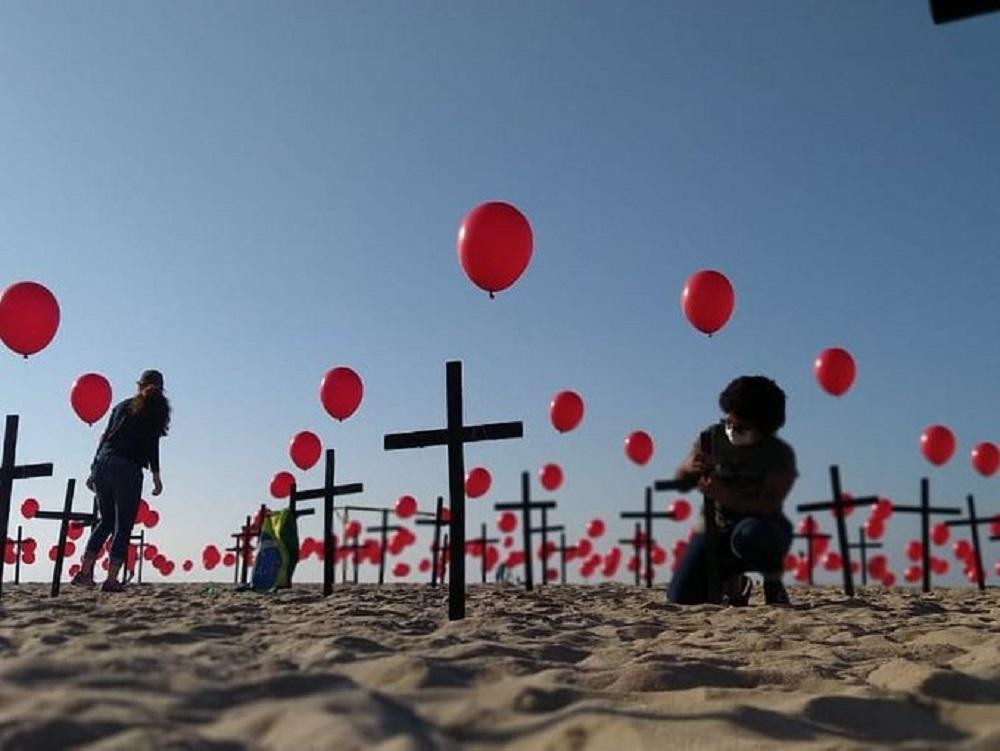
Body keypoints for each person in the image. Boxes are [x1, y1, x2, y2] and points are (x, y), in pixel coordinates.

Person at [667, 375, 797, 606]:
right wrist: (690, 468)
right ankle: (729, 580)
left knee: (751, 537)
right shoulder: (712, 437)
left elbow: (766, 504)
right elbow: (681, 479)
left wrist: (723, 494)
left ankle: (772, 581)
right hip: (714, 530)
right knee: (681, 597)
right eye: (729, 423)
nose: (732, 431)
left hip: (759, 528)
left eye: (742, 428)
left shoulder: (779, 455)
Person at [72, 370, 170, 592]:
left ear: (139, 386)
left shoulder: (121, 407)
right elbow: (152, 445)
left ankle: (84, 572)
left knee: (105, 521)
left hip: (103, 463)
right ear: (161, 389)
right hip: (128, 468)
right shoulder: (154, 410)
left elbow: (105, 437)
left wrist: (93, 469)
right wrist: (156, 475)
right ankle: (112, 579)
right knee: (123, 524)